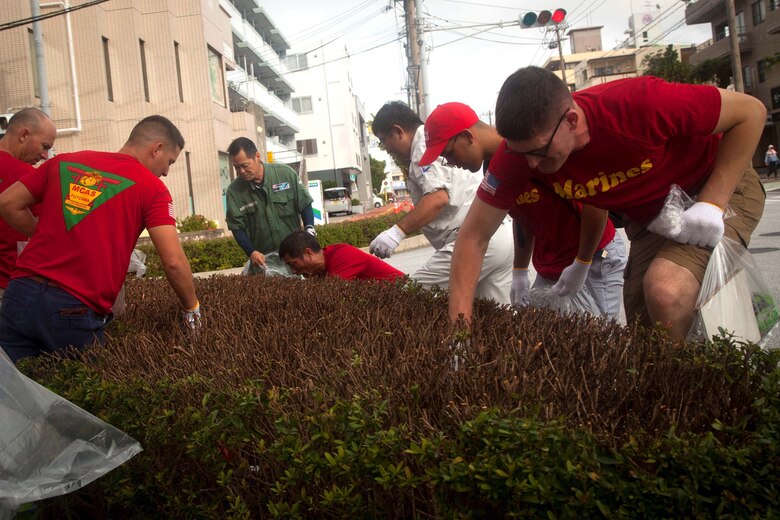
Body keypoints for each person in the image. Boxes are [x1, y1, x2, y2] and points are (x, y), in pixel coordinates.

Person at [450, 66, 766, 337]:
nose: (531, 165)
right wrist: (459, 335)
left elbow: (751, 112)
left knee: (666, 291)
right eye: (521, 155)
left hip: (716, 184)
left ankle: (707, 391)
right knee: (645, 330)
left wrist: (712, 202)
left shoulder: (640, 102)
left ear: (571, 120)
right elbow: (473, 237)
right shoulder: (521, 152)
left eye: (538, 152)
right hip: (654, 216)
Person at [0, 115, 201, 362]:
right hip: (72, 307)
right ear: (156, 148)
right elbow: (173, 262)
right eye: (169, 162)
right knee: (80, 393)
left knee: (12, 392)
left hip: (19, 293)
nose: (167, 172)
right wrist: (192, 308)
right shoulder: (152, 189)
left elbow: (8, 203)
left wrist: (42, 235)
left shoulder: (63, 163)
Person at [418, 102, 627, 319]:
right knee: (550, 344)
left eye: (448, 154)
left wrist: (583, 261)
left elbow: (594, 201)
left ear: (467, 137)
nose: (451, 163)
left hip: (593, 257)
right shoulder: (494, 168)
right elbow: (522, 213)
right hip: (550, 265)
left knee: (599, 340)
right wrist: (520, 269)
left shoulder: (534, 145)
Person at [370, 101, 513, 304]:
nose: (386, 148)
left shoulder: (424, 144)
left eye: (384, 140)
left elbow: (438, 198)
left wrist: (396, 232)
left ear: (398, 131)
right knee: (496, 320)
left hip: (472, 239)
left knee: (408, 298)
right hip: (500, 236)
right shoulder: (430, 142)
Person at [226, 137, 315, 275]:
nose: (241, 171)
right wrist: (251, 252)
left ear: (257, 156)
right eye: (236, 167)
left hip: (294, 257)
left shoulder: (285, 174)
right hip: (262, 262)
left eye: (244, 165)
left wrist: (309, 229)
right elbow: (237, 227)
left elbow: (304, 203)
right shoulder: (235, 191)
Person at [0, 108, 57, 304]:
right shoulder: (28, 178)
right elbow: (49, 227)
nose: (45, 155)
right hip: (11, 283)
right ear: (24, 135)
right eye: (44, 146)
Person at [279, 230, 405, 281]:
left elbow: (329, 296)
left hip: (406, 294)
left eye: (293, 264)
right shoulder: (317, 272)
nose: (293, 271)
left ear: (308, 253)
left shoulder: (343, 255)